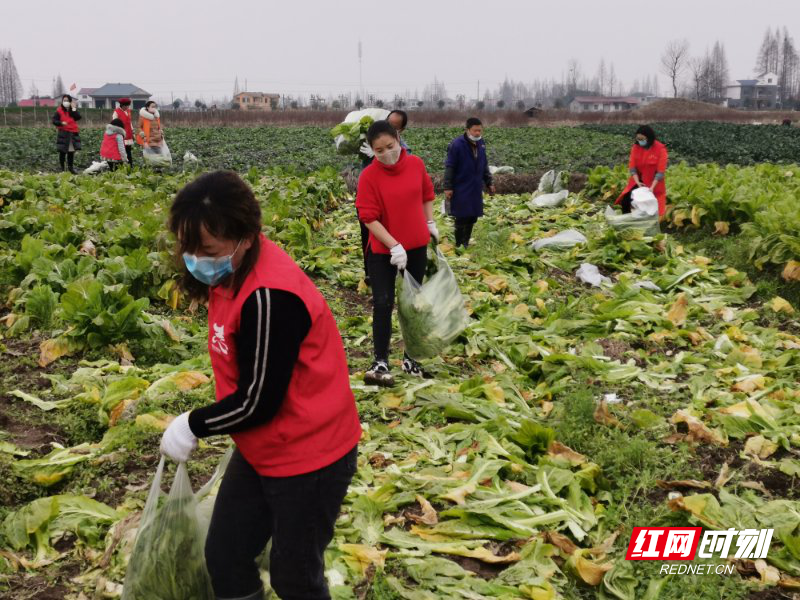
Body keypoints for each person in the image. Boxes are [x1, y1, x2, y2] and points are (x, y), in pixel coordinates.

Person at [159, 170, 361, 600]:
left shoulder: (270, 296)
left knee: (296, 578)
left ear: (246, 238)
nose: (195, 260)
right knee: (225, 556)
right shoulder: (229, 273)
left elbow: (258, 400)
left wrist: (193, 424)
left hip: (310, 457)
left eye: (207, 251)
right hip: (263, 447)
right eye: (187, 248)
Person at [356, 120, 437, 386]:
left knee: (412, 303)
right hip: (383, 251)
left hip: (416, 247)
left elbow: (426, 194)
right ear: (372, 150)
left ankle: (411, 358)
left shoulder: (416, 164)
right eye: (379, 150)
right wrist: (393, 245)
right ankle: (380, 361)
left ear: (398, 139)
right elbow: (368, 218)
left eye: (390, 146)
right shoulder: (369, 176)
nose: (387, 153)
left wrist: (430, 223)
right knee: (383, 302)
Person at [357, 109, 412, 285]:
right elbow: (363, 171)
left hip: (392, 202)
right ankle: (371, 274)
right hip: (370, 198)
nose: (389, 127)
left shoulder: (404, 149)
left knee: (393, 235)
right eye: (389, 122)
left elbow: (406, 166)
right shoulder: (371, 142)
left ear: (400, 130)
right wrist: (371, 155)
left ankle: (397, 271)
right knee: (368, 236)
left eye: (394, 126)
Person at [443, 117, 495, 248]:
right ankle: (459, 244)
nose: (478, 133)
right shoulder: (457, 144)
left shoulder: (481, 143)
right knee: (461, 216)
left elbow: (484, 164)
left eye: (480, 130)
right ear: (467, 130)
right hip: (461, 186)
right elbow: (450, 166)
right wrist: (448, 186)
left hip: (475, 186)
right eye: (475, 130)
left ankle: (465, 243)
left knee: (473, 216)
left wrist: (489, 182)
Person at [615, 125, 668, 217]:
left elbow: (660, 172)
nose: (640, 141)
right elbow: (633, 168)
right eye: (638, 139)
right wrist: (637, 182)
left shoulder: (660, 149)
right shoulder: (636, 147)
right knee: (626, 200)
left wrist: (652, 187)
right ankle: (628, 220)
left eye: (642, 139)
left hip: (654, 182)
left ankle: (647, 222)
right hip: (639, 179)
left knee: (651, 206)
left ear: (649, 138)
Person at [52, 94, 82, 173]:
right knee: (62, 152)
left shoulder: (72, 110)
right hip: (63, 133)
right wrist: (61, 123)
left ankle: (70, 168)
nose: (66, 102)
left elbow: (78, 117)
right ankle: (62, 169)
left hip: (72, 133)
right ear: (62, 101)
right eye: (64, 100)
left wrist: (74, 108)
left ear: (70, 101)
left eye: (67, 100)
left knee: (71, 152)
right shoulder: (59, 111)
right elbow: (54, 121)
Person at [113, 98, 135, 166]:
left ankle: (130, 165)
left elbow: (130, 122)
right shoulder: (116, 112)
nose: (128, 107)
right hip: (121, 134)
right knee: (122, 150)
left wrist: (132, 131)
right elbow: (114, 124)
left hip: (128, 133)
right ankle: (122, 165)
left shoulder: (128, 111)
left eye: (128, 106)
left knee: (128, 150)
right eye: (126, 106)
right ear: (122, 105)